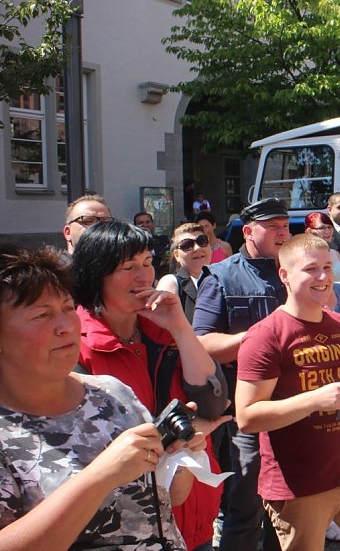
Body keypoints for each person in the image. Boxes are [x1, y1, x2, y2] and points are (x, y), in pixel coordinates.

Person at [0, 246, 202, 550]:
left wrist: (178, 455)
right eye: (42, 314)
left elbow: (170, 496)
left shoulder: (112, 392)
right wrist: (101, 475)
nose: (66, 326)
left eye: (69, 308)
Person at [233, 234, 340, 550]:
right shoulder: (265, 336)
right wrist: (315, 399)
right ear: (284, 275)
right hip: (299, 484)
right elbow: (246, 417)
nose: (323, 277)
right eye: (311, 269)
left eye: (327, 266)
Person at [72, 220, 230, 551]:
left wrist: (180, 327)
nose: (144, 277)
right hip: (129, 527)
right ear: (95, 276)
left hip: (194, 513)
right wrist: (184, 433)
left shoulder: (162, 330)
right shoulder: (77, 345)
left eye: (147, 263)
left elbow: (215, 402)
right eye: (128, 267)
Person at [193, 198, 290, 551]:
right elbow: (201, 342)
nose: (283, 233)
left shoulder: (295, 269)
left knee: (289, 506)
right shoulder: (221, 275)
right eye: (273, 227)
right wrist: (257, 339)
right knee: (246, 506)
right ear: (248, 231)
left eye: (285, 227)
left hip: (295, 404)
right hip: (246, 414)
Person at [156, 222, 214, 323]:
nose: (197, 248)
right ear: (176, 255)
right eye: (187, 245)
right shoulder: (171, 283)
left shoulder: (223, 278)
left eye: (202, 241)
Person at [305, 212, 340, 284]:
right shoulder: (304, 255)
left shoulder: (335, 253)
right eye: (322, 228)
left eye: (330, 227)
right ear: (309, 231)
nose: (327, 232)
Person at [134, 211, 172, 279]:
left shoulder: (163, 240)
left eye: (147, 222)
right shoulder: (132, 244)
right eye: (140, 223)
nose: (145, 225)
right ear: (135, 226)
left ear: (152, 224)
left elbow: (167, 259)